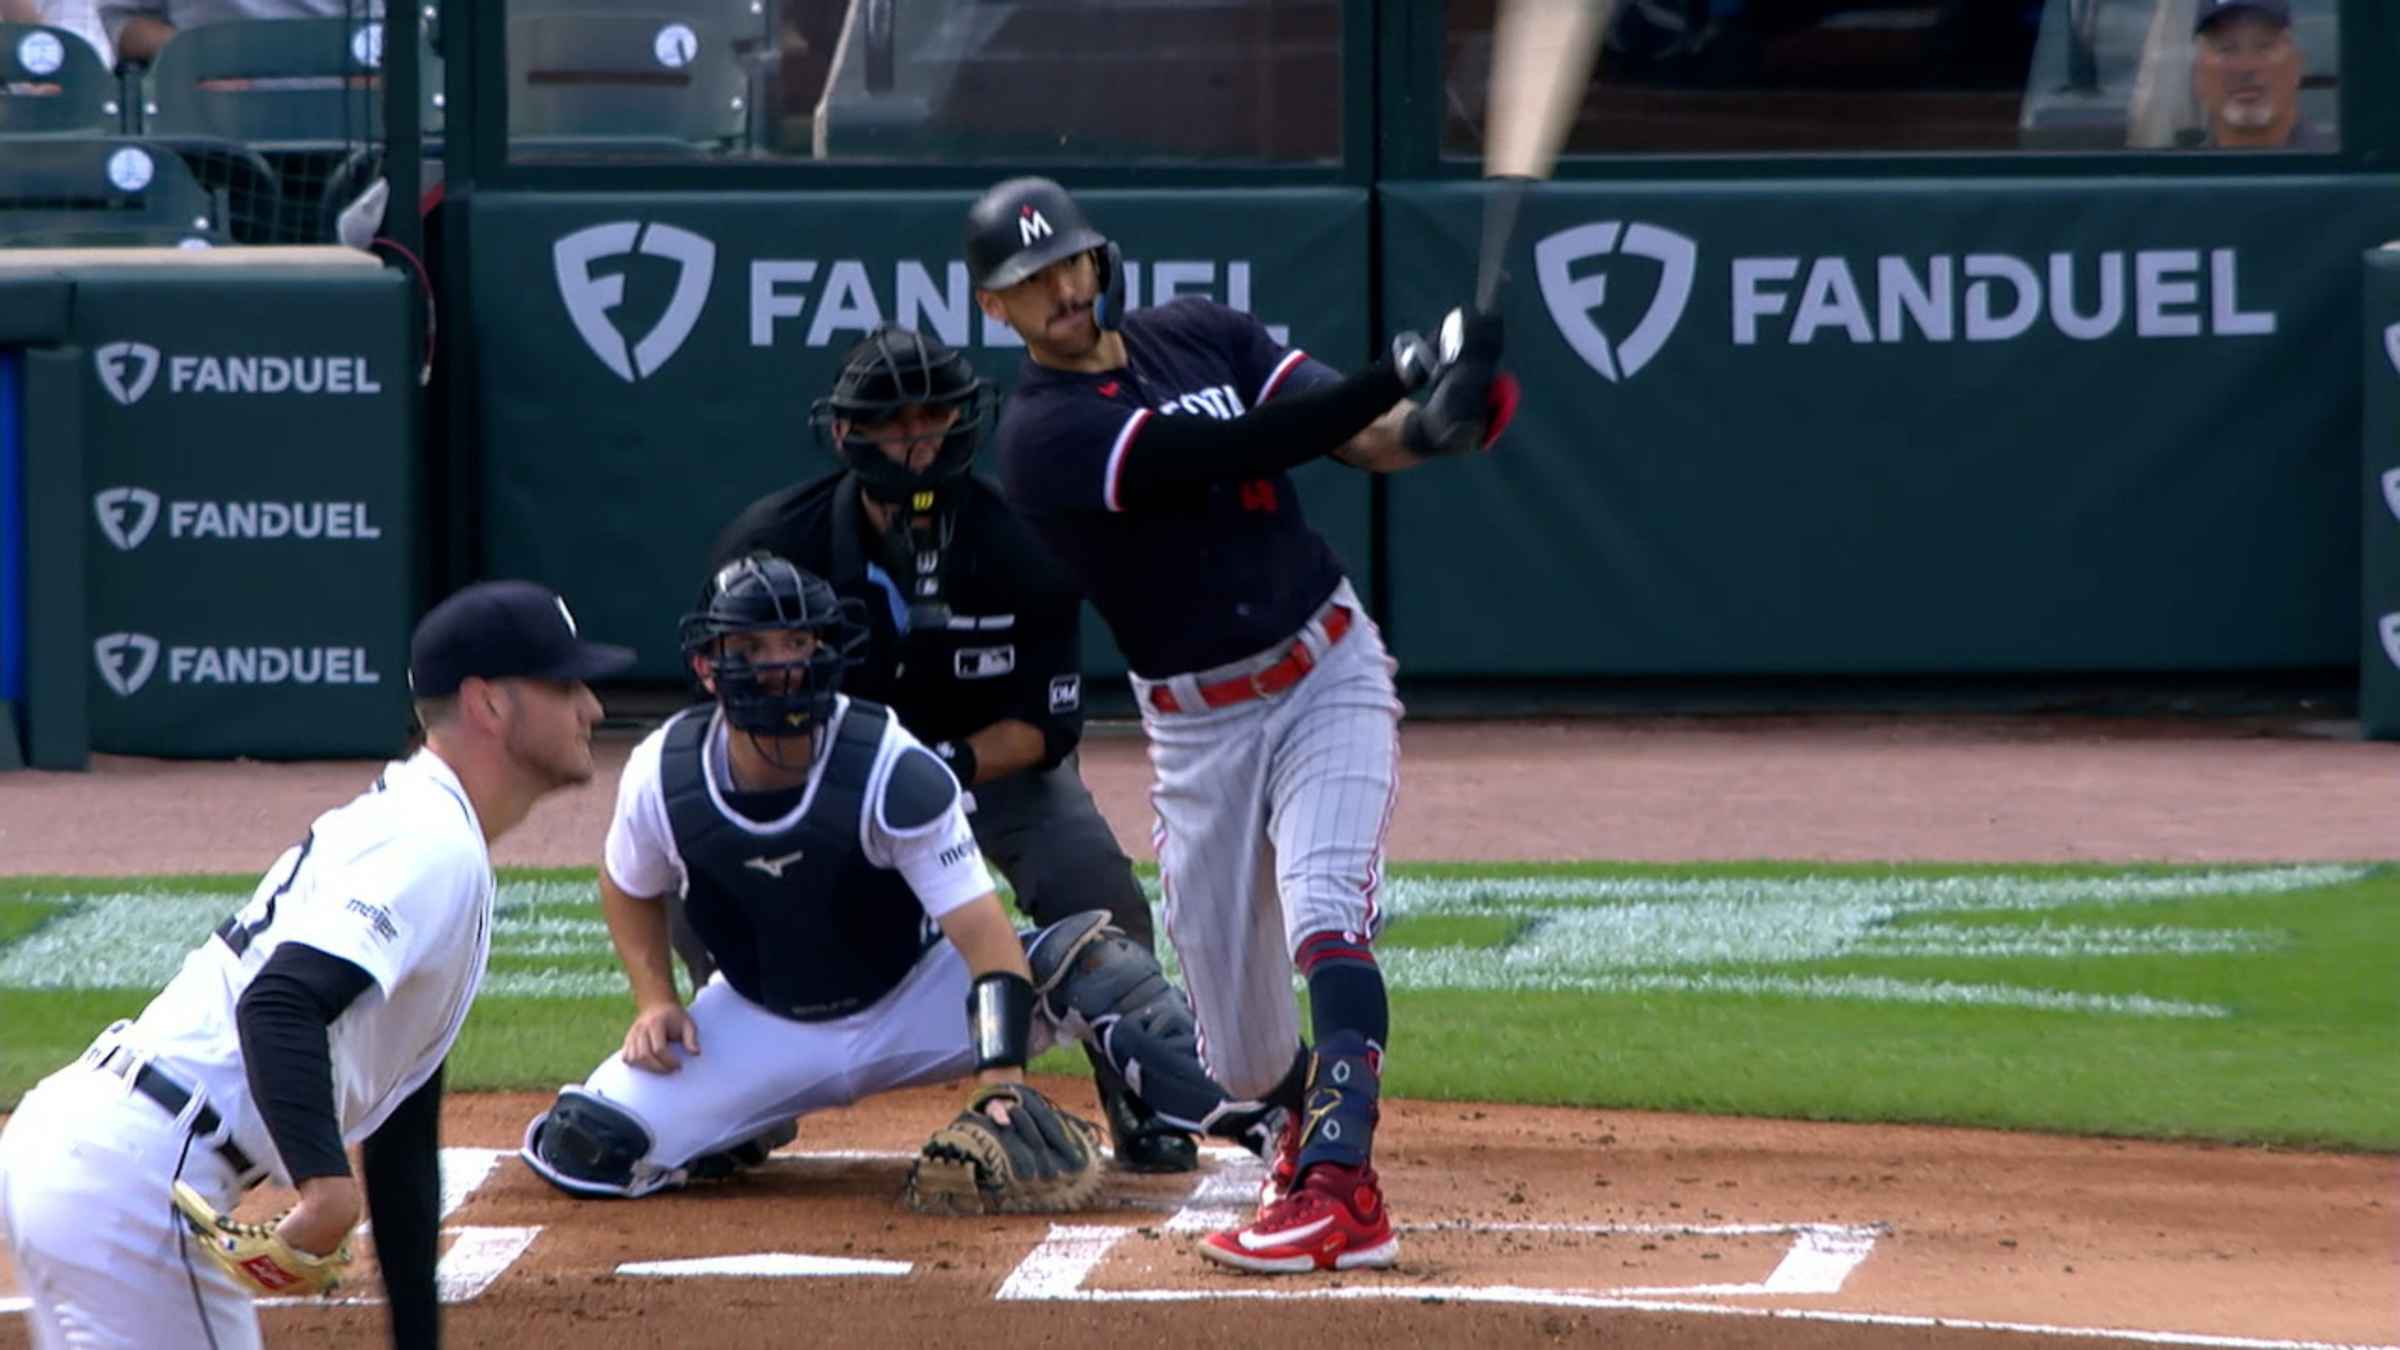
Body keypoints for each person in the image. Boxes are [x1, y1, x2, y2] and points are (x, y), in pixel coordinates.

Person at [968, 176, 1514, 1274]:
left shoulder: (1198, 334)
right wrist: (1394, 371)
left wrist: (1441, 417)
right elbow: (1230, 454)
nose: (1065, 290)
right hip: (1200, 734)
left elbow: (1361, 437)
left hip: (1327, 667)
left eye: (1072, 263)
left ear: (1099, 258)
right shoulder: (1042, 436)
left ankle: (1339, 1189)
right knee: (1243, 1053)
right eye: (1033, 281)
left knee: (1326, 903)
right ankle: (1301, 1143)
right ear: (998, 309)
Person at [517, 553, 1284, 1201]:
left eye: (795, 642)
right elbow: (627, 884)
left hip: (915, 995)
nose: (779, 665)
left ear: (827, 649)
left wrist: (1002, 1079)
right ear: (707, 667)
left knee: (1100, 969)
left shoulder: (888, 764)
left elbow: (985, 938)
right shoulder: (664, 772)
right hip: (760, 1016)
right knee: (585, 1146)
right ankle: (746, 1120)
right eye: (751, 649)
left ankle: (1266, 1127)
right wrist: (655, 1000)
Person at [0, 579, 633, 1349]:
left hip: (92, 1156)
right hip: (139, 1182)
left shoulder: (422, 826)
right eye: (565, 685)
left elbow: (402, 1132)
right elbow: (278, 1003)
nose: (592, 709)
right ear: (489, 704)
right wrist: (326, 1189)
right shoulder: (429, 845)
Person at [707, 323, 1198, 1171]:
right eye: (895, 422)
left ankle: (1144, 1094)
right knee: (706, 869)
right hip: (830, 782)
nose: (917, 441)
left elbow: (1046, 731)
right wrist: (845, 787)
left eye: (933, 417)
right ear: (845, 432)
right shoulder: (774, 546)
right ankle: (737, 1098)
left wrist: (941, 769)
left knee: (1100, 890)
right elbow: (732, 719)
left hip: (988, 769)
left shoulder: (1028, 542)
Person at [2188, 0, 2333, 151]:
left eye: (2264, 46)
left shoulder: (2341, 171)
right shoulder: (2179, 172)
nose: (2246, 68)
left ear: (2297, 65)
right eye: (2226, 49)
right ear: (2198, 74)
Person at [99, 0, 380, 66]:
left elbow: (383, 35)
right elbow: (123, 24)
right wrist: (198, 54)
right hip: (207, 120)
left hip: (338, 125)